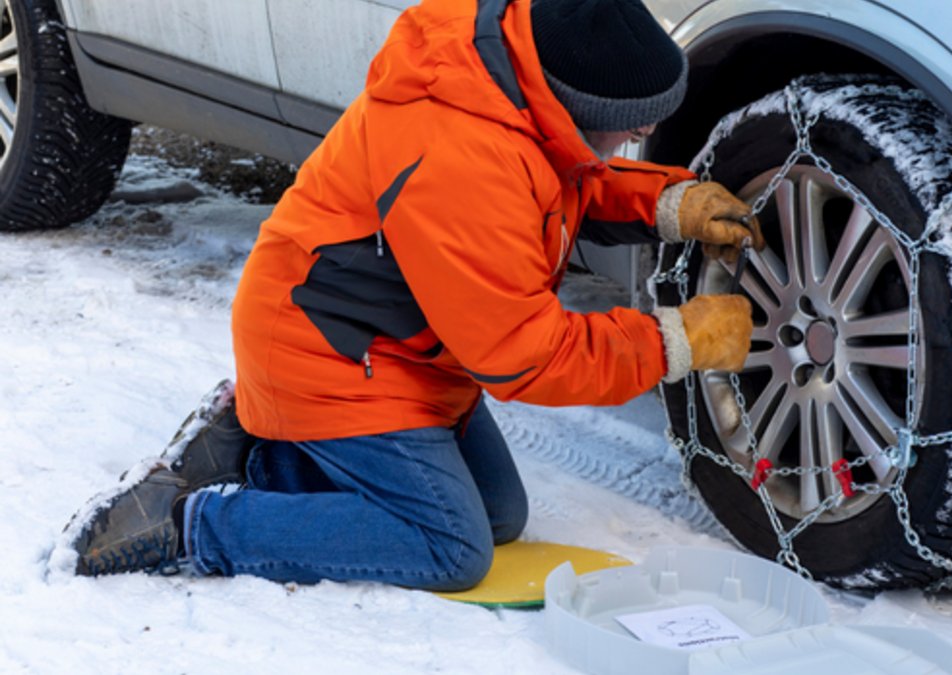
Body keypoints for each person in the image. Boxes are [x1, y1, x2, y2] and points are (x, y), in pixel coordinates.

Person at [71, 0, 763, 589]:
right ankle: (190, 522)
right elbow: (527, 356)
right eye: (632, 120)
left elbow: (560, 176)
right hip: (326, 350)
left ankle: (259, 450)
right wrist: (676, 340)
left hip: (403, 346)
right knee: (452, 546)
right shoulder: (462, 156)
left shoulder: (514, 73)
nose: (642, 133)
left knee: (499, 515)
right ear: (571, 102)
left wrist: (668, 203)